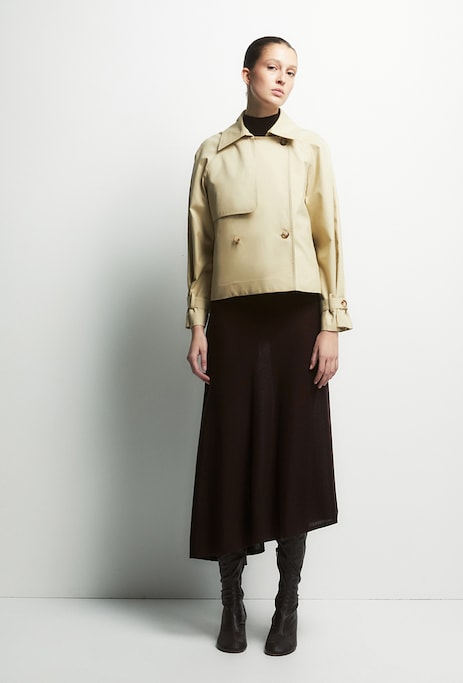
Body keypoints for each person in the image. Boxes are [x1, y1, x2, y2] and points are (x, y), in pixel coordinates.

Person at [185, 36, 352, 656]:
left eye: (292, 71)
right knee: (230, 451)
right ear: (247, 73)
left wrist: (330, 324)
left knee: (294, 453)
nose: (283, 78)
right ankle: (231, 602)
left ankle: (287, 605)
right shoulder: (212, 152)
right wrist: (197, 324)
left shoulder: (310, 148)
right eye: (272, 67)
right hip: (233, 316)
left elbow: (329, 239)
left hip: (295, 315)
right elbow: (200, 248)